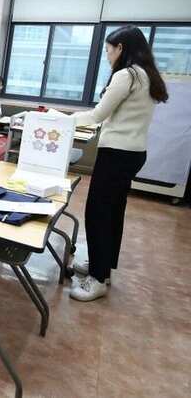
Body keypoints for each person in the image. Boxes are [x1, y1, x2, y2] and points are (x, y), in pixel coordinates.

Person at [69, 26, 167, 302]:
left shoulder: (126, 74)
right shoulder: (147, 74)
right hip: (134, 153)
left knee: (98, 213)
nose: (107, 55)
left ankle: (97, 280)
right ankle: (104, 267)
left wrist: (63, 119)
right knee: (113, 212)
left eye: (109, 50)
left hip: (116, 153)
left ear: (121, 48)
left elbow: (99, 114)